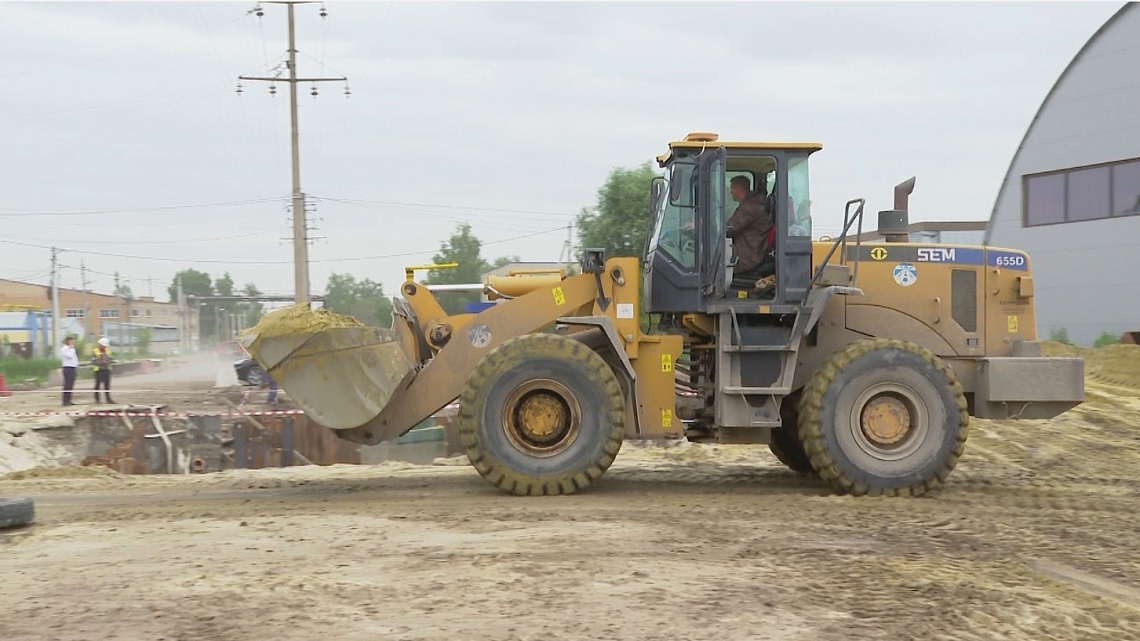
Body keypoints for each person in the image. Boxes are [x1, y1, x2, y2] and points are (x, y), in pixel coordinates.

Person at [726, 175, 776, 296]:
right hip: (754, 248)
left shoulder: (750, 208)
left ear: (738, 189)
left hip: (749, 254)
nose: (730, 191)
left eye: (731, 188)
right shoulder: (753, 205)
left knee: (711, 261)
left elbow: (729, 229)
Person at [91, 337, 115, 404]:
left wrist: (110, 361)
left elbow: (111, 358)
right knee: (97, 385)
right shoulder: (95, 351)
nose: (104, 347)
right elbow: (92, 361)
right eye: (103, 346)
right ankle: (97, 399)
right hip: (98, 370)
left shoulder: (108, 350)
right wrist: (101, 362)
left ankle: (108, 399)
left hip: (107, 369)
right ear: (100, 344)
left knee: (107, 385)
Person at [59, 335, 78, 406]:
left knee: (71, 385)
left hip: (72, 367)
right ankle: (65, 400)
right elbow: (70, 356)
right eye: (71, 341)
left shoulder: (71, 349)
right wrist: (72, 348)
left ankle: (69, 399)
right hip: (67, 368)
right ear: (67, 341)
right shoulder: (65, 348)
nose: (72, 342)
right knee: (67, 384)